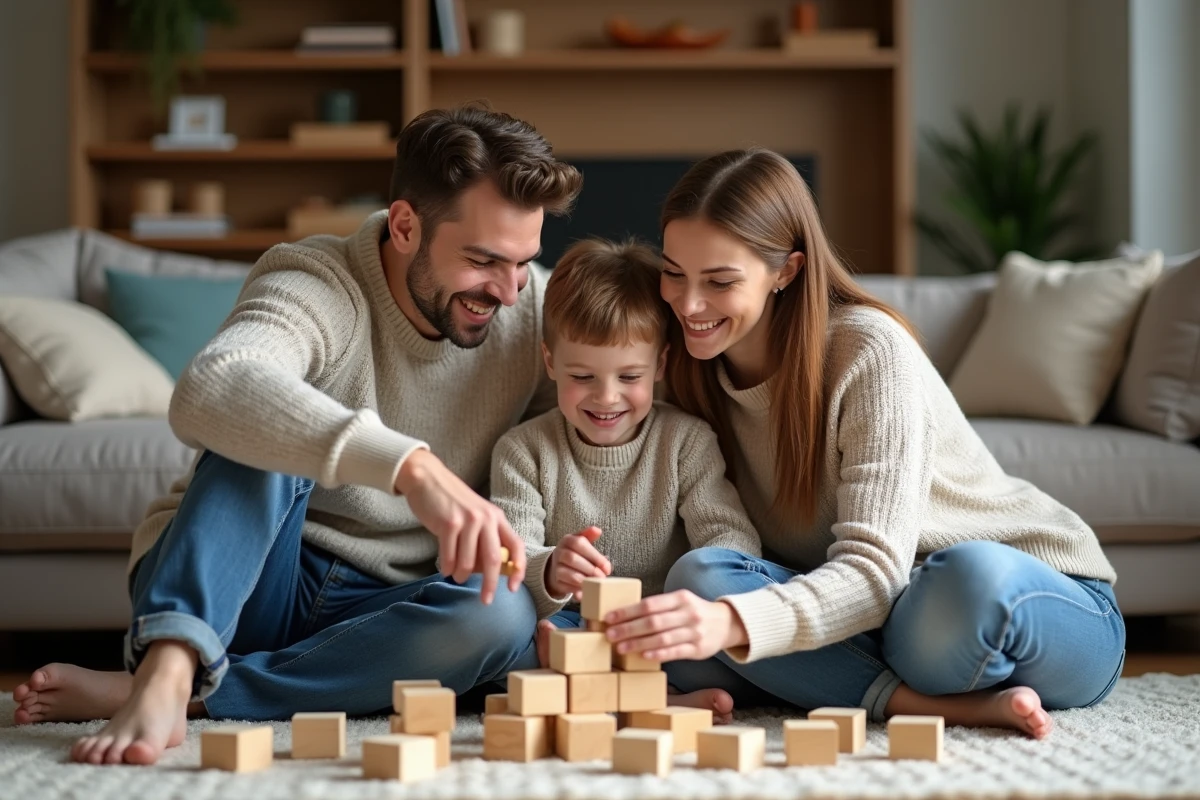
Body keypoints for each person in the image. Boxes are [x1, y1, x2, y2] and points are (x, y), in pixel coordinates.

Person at [11, 105, 583, 766]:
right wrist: (410, 468)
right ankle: (171, 664)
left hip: (384, 612)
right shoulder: (316, 281)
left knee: (502, 616)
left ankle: (195, 695)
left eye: (523, 263)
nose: (510, 293)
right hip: (251, 579)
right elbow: (213, 384)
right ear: (405, 226)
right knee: (269, 422)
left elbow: (591, 420)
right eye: (484, 261)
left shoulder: (531, 308)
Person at [599, 148, 1125, 740]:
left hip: (1023, 603)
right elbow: (584, 369)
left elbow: (875, 574)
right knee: (697, 586)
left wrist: (732, 624)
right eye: (673, 272)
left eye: (719, 281)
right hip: (876, 620)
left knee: (949, 599)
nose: (688, 305)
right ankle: (930, 700)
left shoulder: (868, 351)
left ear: (787, 271)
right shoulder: (685, 365)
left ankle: (866, 682)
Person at [489, 239, 760, 718]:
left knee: (729, 644)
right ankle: (653, 699)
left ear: (660, 365)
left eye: (629, 377)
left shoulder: (686, 441)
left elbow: (730, 539)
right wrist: (550, 569)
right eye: (584, 376)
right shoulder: (522, 450)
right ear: (551, 362)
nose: (607, 397)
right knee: (508, 643)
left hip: (664, 629)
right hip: (574, 625)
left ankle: (609, 691)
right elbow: (511, 559)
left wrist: (683, 605)